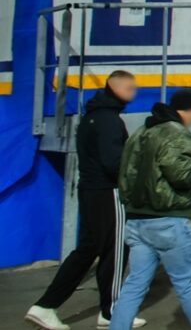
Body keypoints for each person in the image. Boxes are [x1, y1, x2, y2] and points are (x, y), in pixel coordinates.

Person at [109, 90, 191, 330]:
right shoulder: (176, 133)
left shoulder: (141, 132)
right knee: (187, 282)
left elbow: (125, 172)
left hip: (137, 221)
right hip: (169, 221)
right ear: (188, 110)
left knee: (135, 283)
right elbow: (180, 173)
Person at [26, 72, 146, 330]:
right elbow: (114, 163)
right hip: (108, 192)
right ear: (118, 88)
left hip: (90, 191)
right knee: (116, 250)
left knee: (86, 251)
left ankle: (45, 306)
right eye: (131, 88)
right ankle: (113, 312)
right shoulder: (109, 121)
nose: (134, 93)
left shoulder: (90, 117)